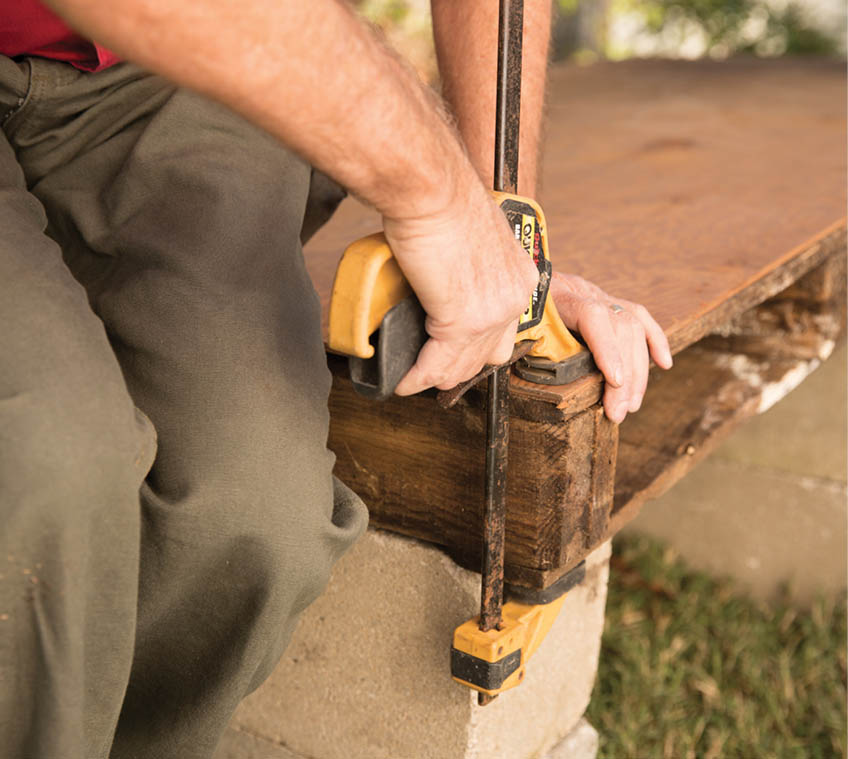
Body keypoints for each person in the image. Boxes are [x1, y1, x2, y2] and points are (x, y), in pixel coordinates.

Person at [0, 1, 673, 757]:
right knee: (49, 466)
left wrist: (500, 231)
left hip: (163, 71)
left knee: (253, 512)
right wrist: (434, 194)